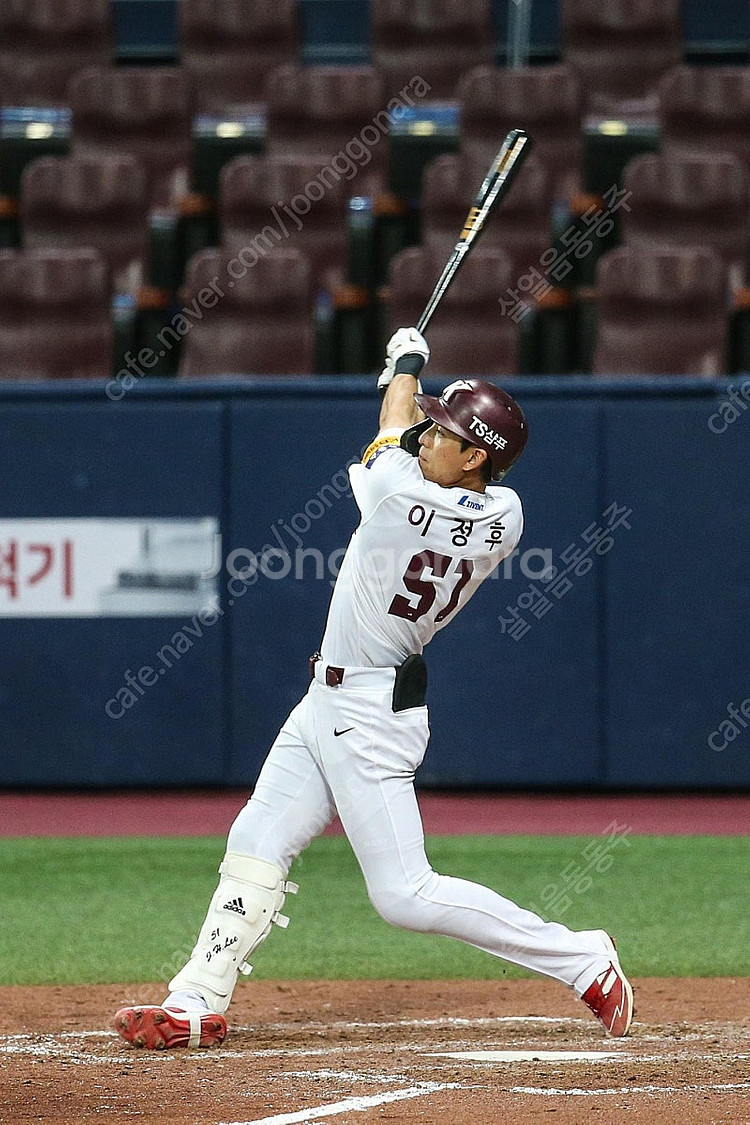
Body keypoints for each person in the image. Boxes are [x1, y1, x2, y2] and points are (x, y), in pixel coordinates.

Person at [114, 327, 633, 1050]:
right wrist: (413, 388)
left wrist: (405, 363)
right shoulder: (505, 516)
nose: (430, 436)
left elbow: (392, 429)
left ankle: (583, 957)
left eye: (447, 433)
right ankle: (197, 997)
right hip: (330, 699)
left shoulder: (397, 497)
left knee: (403, 893)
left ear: (477, 455)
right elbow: (404, 433)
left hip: (369, 710)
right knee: (257, 835)